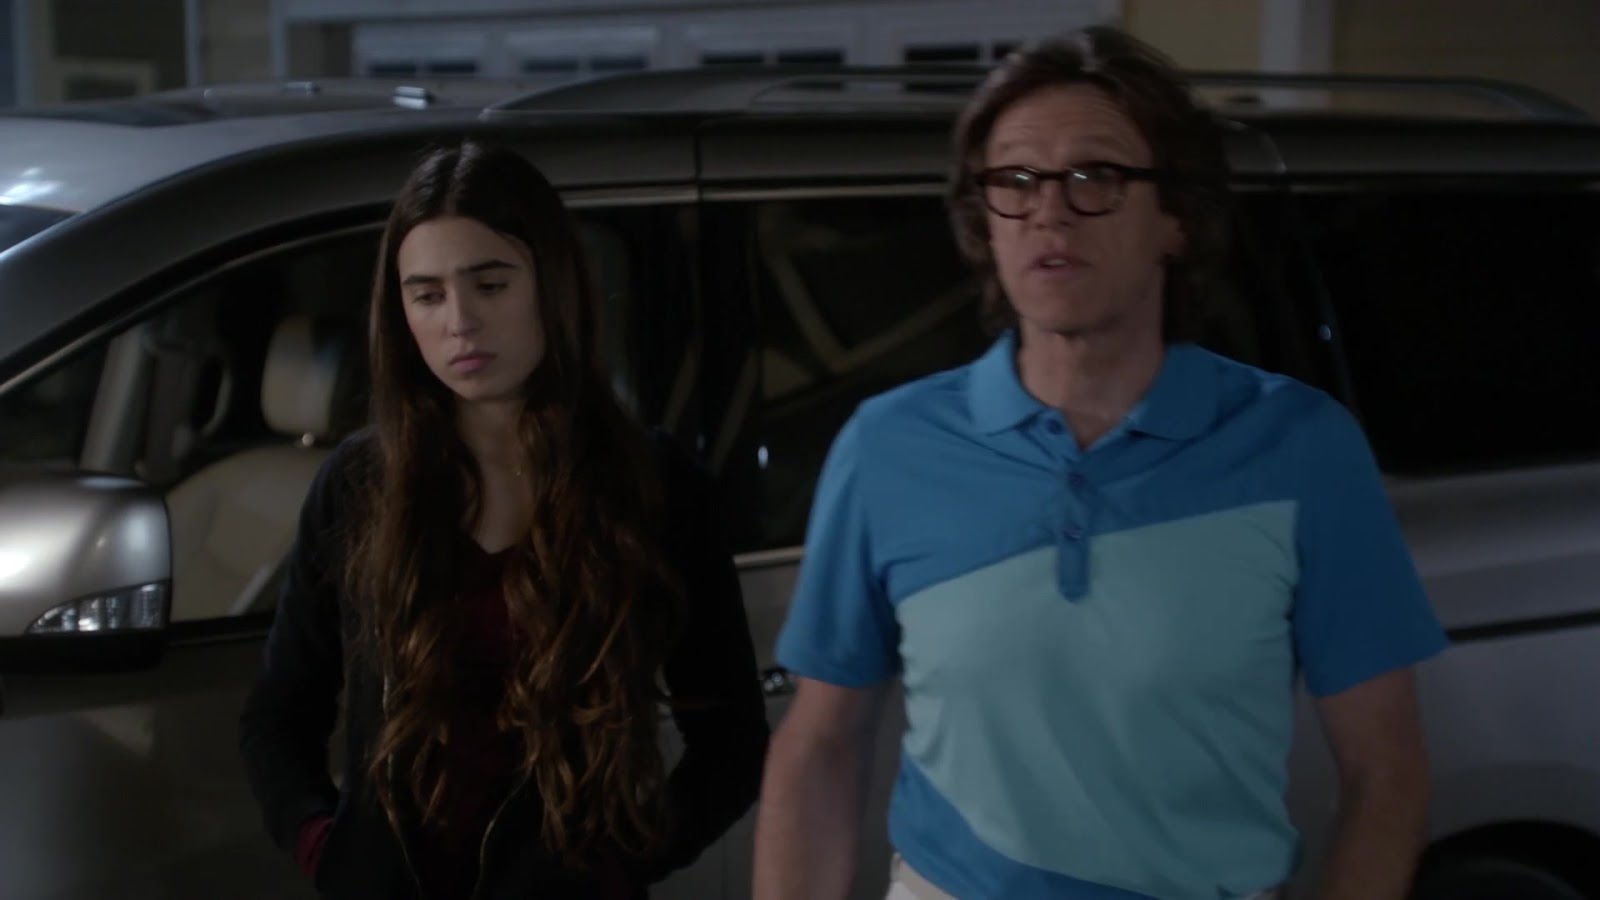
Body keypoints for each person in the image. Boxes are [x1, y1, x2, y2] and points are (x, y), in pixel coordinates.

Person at [753, 25, 1449, 900]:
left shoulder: (1301, 448)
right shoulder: (889, 445)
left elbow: (1388, 774)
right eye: (1015, 181)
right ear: (983, 221)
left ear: (1177, 219)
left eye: (1095, 177)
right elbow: (820, 745)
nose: (1048, 211)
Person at [239, 139, 769, 900]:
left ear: (550, 282)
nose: (460, 322)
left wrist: (621, 865)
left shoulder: (652, 485)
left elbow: (731, 742)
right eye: (427, 295)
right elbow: (279, 715)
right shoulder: (360, 485)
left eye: (490, 284)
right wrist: (327, 846)